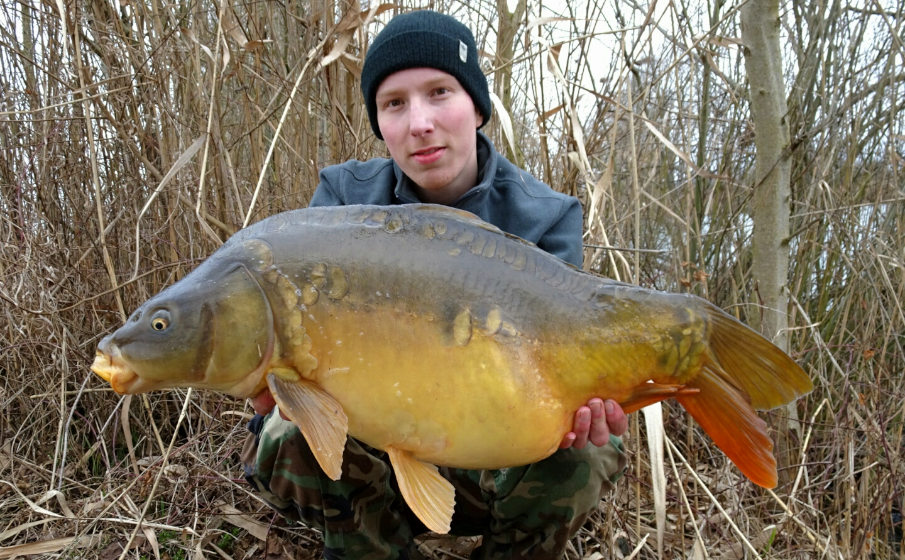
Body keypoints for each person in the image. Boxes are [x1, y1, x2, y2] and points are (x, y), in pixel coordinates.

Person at [241, 10, 628, 559]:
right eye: (394, 103)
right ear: (379, 122)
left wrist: (583, 406)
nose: (419, 122)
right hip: (375, 455)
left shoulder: (545, 217)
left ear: (476, 106)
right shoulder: (343, 204)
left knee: (589, 450)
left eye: (439, 92)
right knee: (287, 434)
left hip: (494, 457)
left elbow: (566, 366)